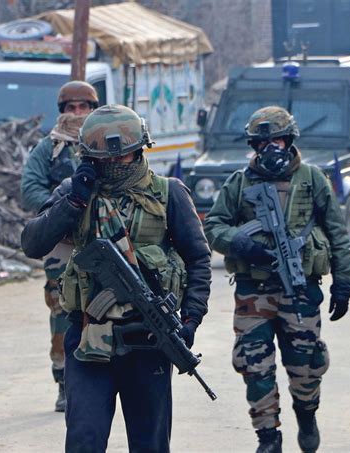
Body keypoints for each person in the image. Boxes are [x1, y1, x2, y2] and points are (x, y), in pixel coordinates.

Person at [21, 104, 211, 452]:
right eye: (103, 159)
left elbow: (198, 259)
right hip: (88, 339)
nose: (113, 165)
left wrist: (191, 318)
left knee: (150, 444)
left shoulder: (169, 194)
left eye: (121, 157)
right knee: (84, 440)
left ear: (139, 151)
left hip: (148, 341)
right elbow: (32, 242)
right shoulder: (76, 191)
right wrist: (73, 202)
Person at [204, 106, 350, 453]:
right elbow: (213, 226)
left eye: (278, 140)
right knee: (254, 364)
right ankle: (268, 436)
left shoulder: (313, 179)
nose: (271, 147)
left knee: (306, 366)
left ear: (290, 141)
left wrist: (343, 282)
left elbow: (337, 232)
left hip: (300, 290)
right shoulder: (239, 182)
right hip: (253, 292)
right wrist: (241, 243)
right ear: (254, 146)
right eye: (263, 142)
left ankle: (306, 411)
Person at [21, 80, 99, 412]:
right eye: (72, 108)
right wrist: (58, 213)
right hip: (62, 242)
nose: (78, 114)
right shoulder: (49, 148)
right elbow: (30, 188)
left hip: (101, 236)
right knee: (62, 307)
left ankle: (101, 375)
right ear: (62, 111)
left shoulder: (105, 141)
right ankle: (64, 381)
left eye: (84, 108)